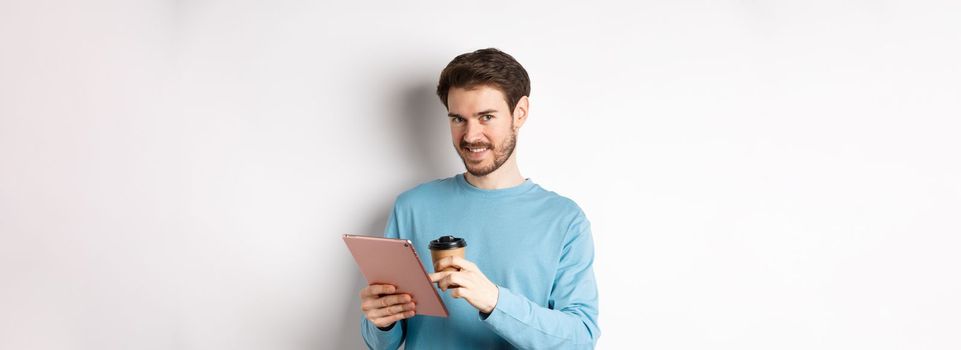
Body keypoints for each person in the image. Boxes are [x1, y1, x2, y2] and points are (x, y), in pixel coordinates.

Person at [358, 48, 600, 349]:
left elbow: (580, 339)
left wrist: (495, 301)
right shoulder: (412, 207)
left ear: (520, 112)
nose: (471, 135)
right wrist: (382, 320)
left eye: (486, 117)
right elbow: (382, 343)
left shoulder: (564, 219)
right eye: (458, 119)